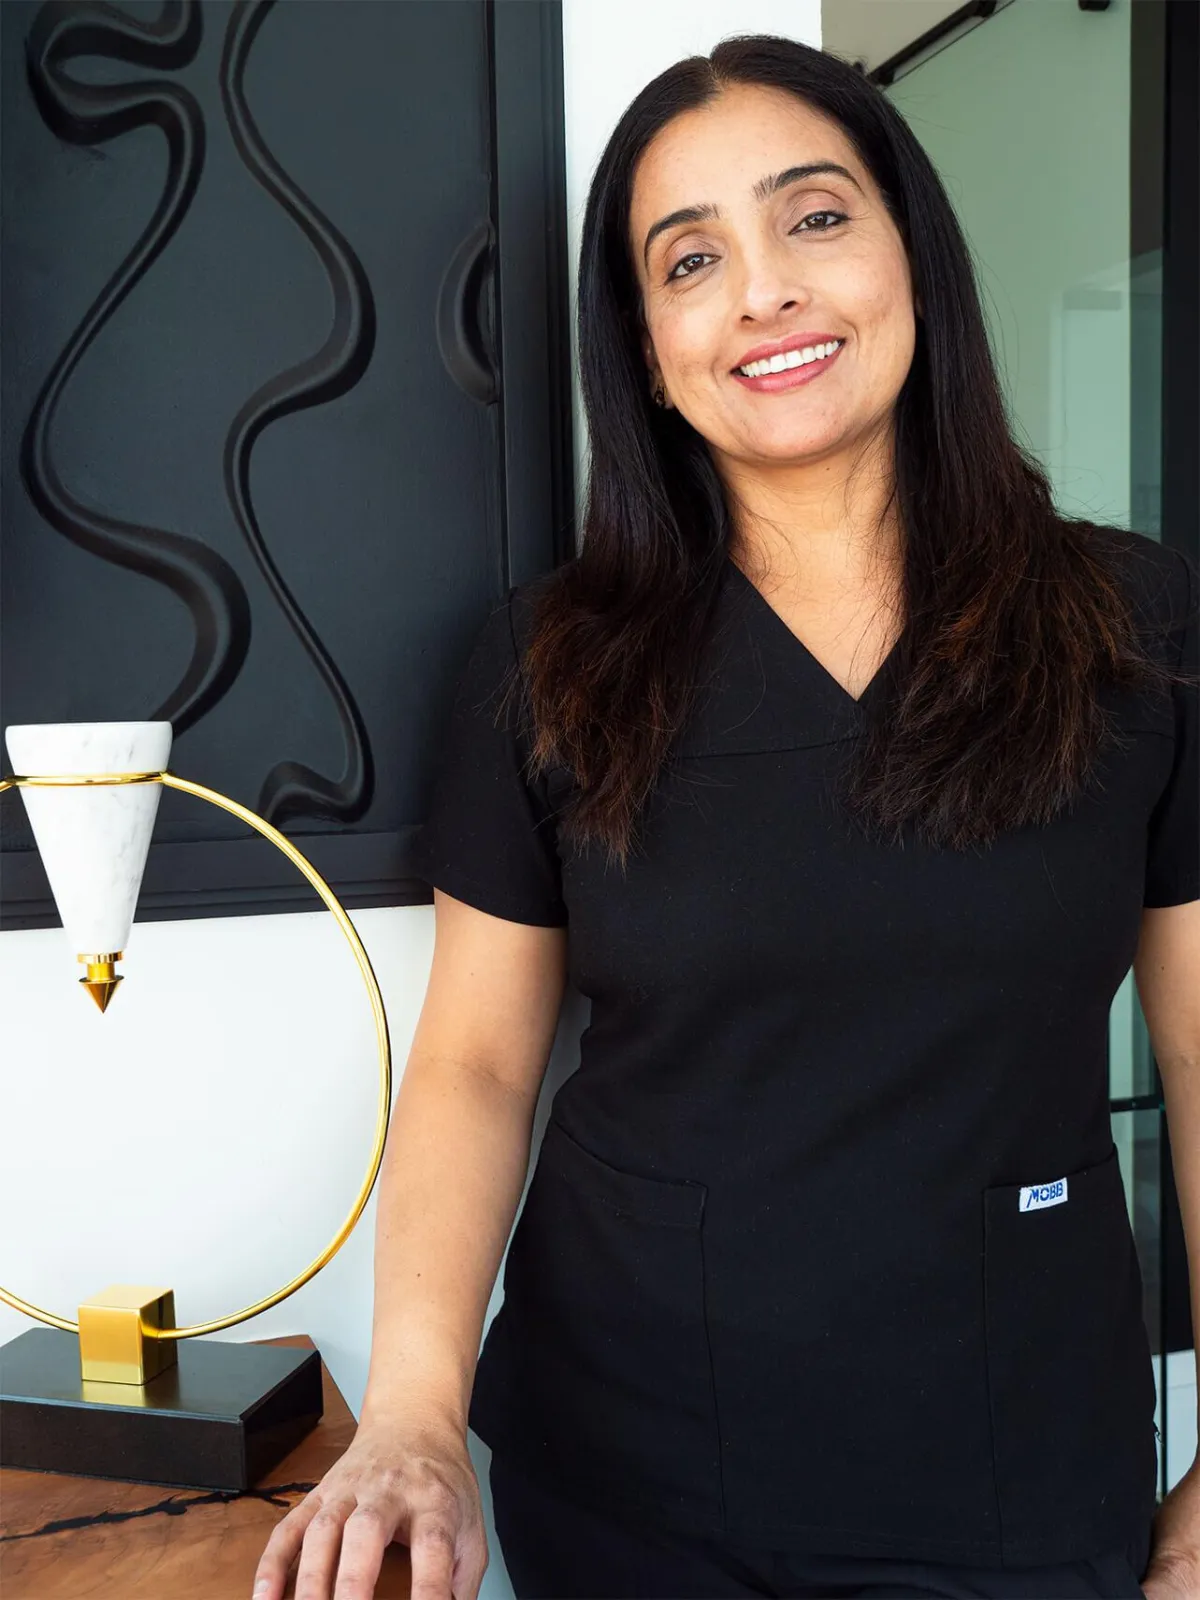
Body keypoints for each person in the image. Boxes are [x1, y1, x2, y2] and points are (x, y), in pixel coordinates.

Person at [249, 33, 1199, 1600]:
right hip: (630, 1482)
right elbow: (480, 1065)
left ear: (913, 254)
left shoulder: (1135, 627)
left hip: (1019, 1466)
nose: (764, 291)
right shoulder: (548, 663)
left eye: (814, 217)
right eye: (691, 259)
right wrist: (413, 1416)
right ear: (645, 345)